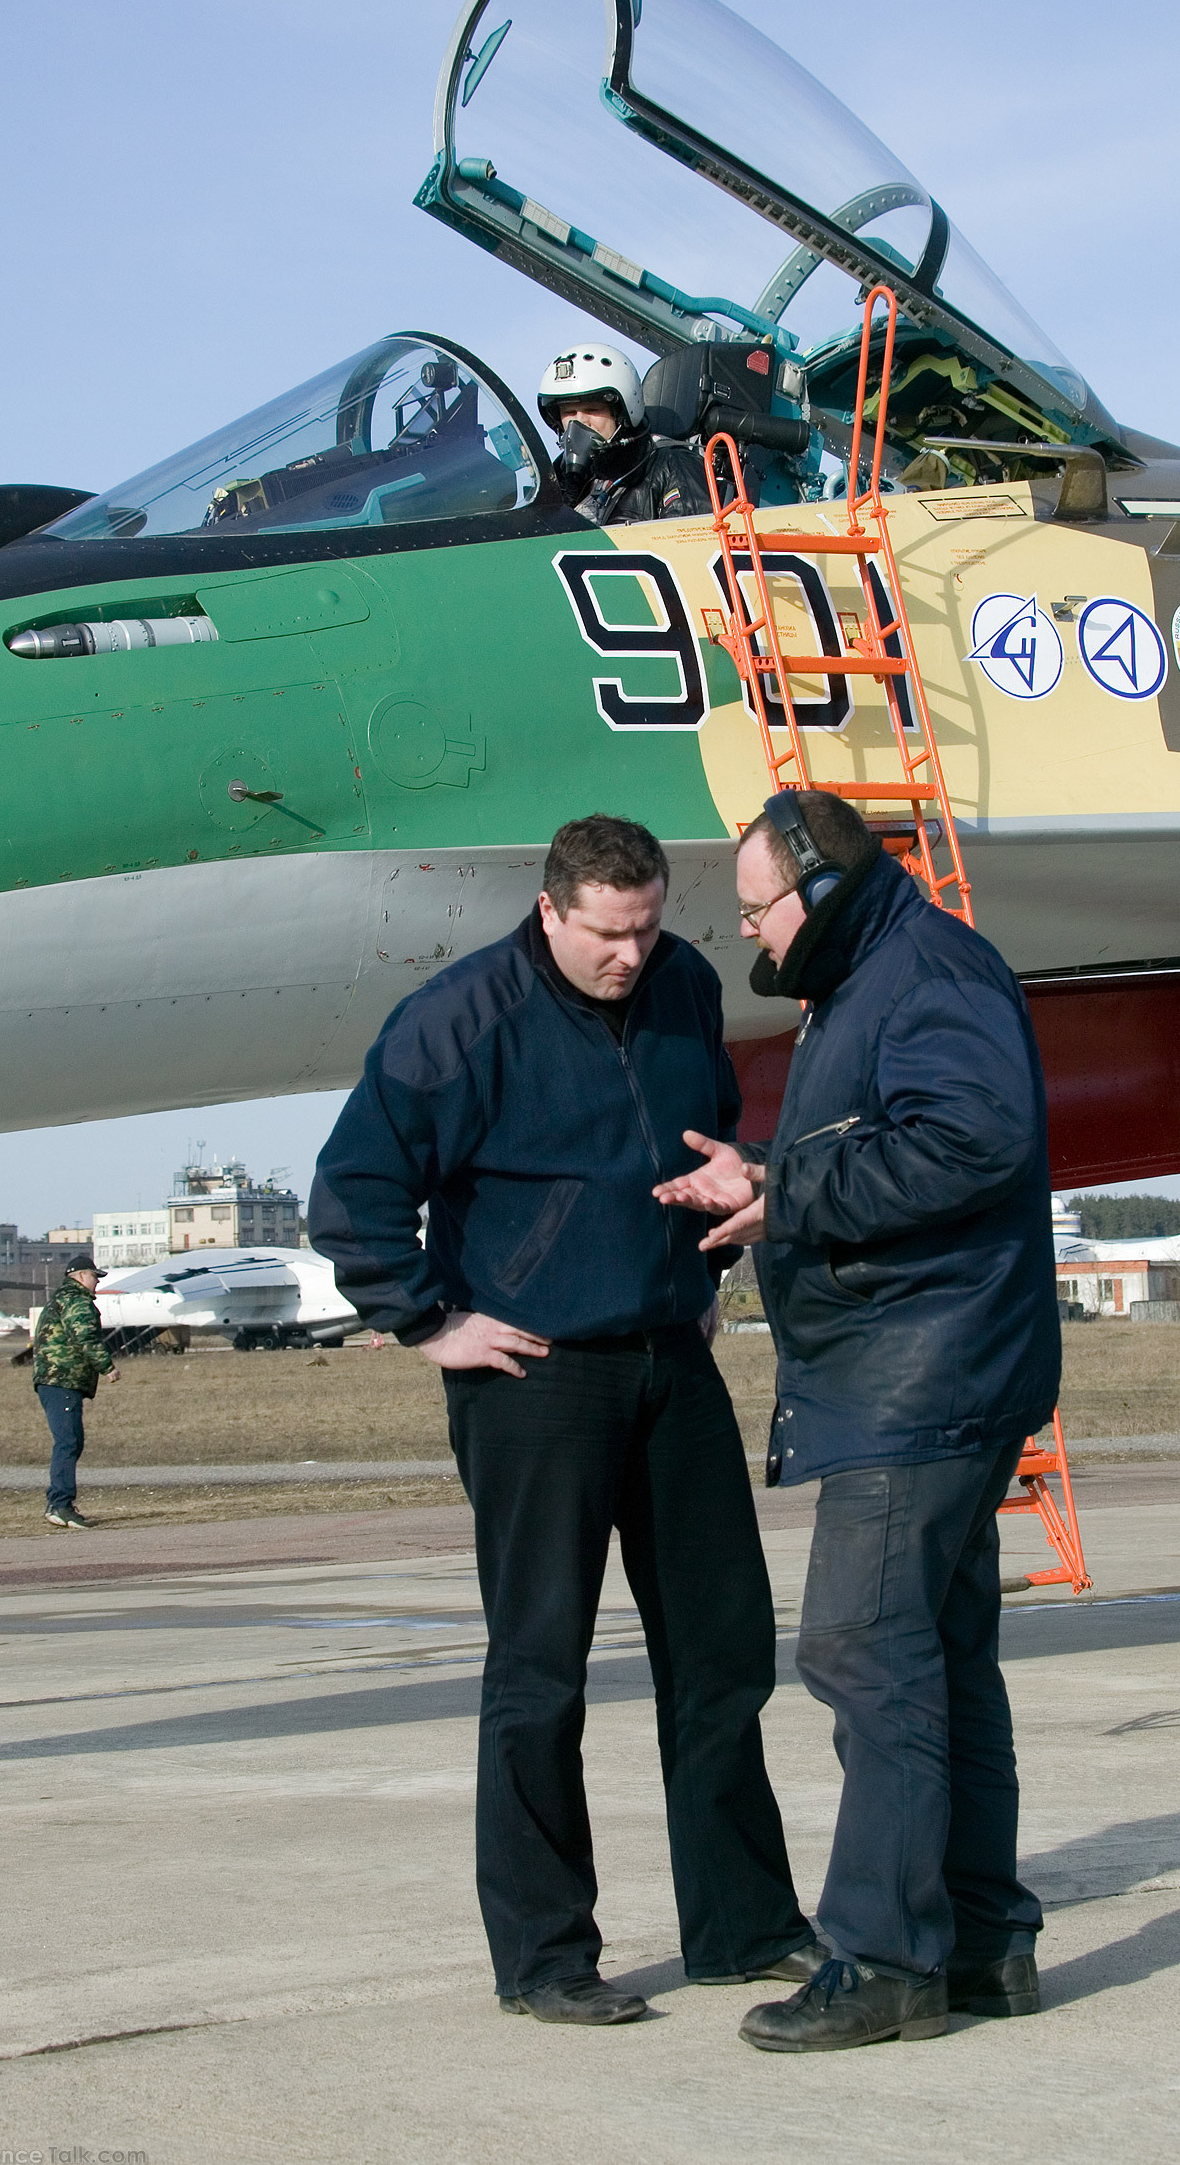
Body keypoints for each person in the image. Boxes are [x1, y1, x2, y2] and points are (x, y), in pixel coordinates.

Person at [308, 813, 820, 2028]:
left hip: (669, 1362)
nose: (630, 956)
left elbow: (704, 1122)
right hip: (532, 1379)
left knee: (724, 1652)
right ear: (551, 911)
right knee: (539, 1671)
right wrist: (430, 1323)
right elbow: (354, 1193)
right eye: (606, 934)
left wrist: (713, 1229)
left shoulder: (687, 982)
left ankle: (742, 1928)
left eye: (646, 928)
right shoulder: (457, 1018)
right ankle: (545, 1955)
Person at [653, 790, 1061, 2053]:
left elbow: (968, 1143)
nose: (754, 938)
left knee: (859, 1654)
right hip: (929, 1370)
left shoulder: (924, 968)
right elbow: (893, 1143)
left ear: (820, 887)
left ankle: (883, 1956)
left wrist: (789, 1192)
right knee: (934, 1661)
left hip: (919, 1381)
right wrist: (768, 1179)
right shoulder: (879, 976)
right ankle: (984, 1942)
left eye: (758, 909)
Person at [538, 344, 712, 526]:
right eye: (570, 412)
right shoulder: (557, 479)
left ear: (622, 414)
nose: (580, 422)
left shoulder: (671, 465)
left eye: (592, 410)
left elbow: (690, 542)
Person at [32, 1249, 117, 1529]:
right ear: (80, 1276)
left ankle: (60, 1502)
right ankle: (60, 1505)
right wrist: (107, 1367)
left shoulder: (60, 1299)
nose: (98, 1282)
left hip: (54, 1380)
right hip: (62, 1380)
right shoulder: (77, 1302)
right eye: (95, 1276)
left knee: (71, 1441)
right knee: (68, 1442)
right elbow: (86, 1338)